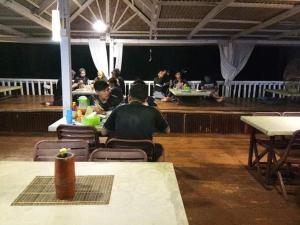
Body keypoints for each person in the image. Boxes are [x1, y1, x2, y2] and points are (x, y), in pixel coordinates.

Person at [102, 83, 170, 160]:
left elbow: (103, 132)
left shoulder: (118, 109)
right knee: (159, 148)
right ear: (146, 99)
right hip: (144, 153)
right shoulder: (153, 111)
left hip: (120, 153)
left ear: (129, 97)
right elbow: (167, 130)